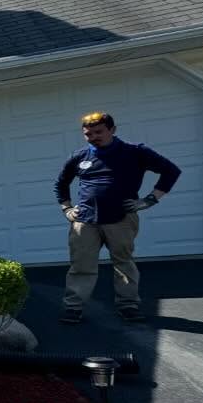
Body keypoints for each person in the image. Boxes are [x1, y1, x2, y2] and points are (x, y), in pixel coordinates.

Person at [54, 111, 181, 324]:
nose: (93, 137)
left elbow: (171, 171)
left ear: (113, 130)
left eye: (99, 132)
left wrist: (150, 200)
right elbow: (61, 183)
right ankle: (73, 307)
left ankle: (128, 305)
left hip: (121, 219)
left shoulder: (135, 152)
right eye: (88, 134)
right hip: (85, 221)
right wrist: (67, 208)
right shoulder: (79, 156)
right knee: (81, 266)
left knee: (123, 263)